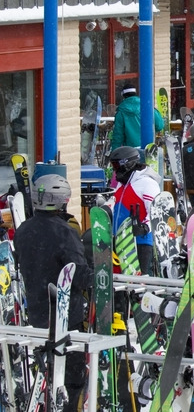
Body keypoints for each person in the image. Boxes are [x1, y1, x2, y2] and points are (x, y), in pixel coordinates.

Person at [15, 174, 93, 412]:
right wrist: (98, 275)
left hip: (38, 314)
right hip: (65, 318)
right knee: (72, 379)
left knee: (48, 374)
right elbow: (77, 273)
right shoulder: (64, 233)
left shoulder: (23, 230)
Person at [110, 146, 162, 275]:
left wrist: (145, 227)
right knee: (120, 282)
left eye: (116, 165)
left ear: (127, 164)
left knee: (138, 282)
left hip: (140, 241)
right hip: (120, 240)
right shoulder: (122, 184)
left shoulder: (147, 183)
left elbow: (156, 211)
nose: (115, 170)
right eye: (113, 165)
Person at [111, 84, 165, 150]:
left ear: (123, 96)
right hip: (149, 148)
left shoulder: (121, 112)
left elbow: (118, 135)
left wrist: (114, 151)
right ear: (135, 93)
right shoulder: (147, 106)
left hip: (130, 151)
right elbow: (159, 125)